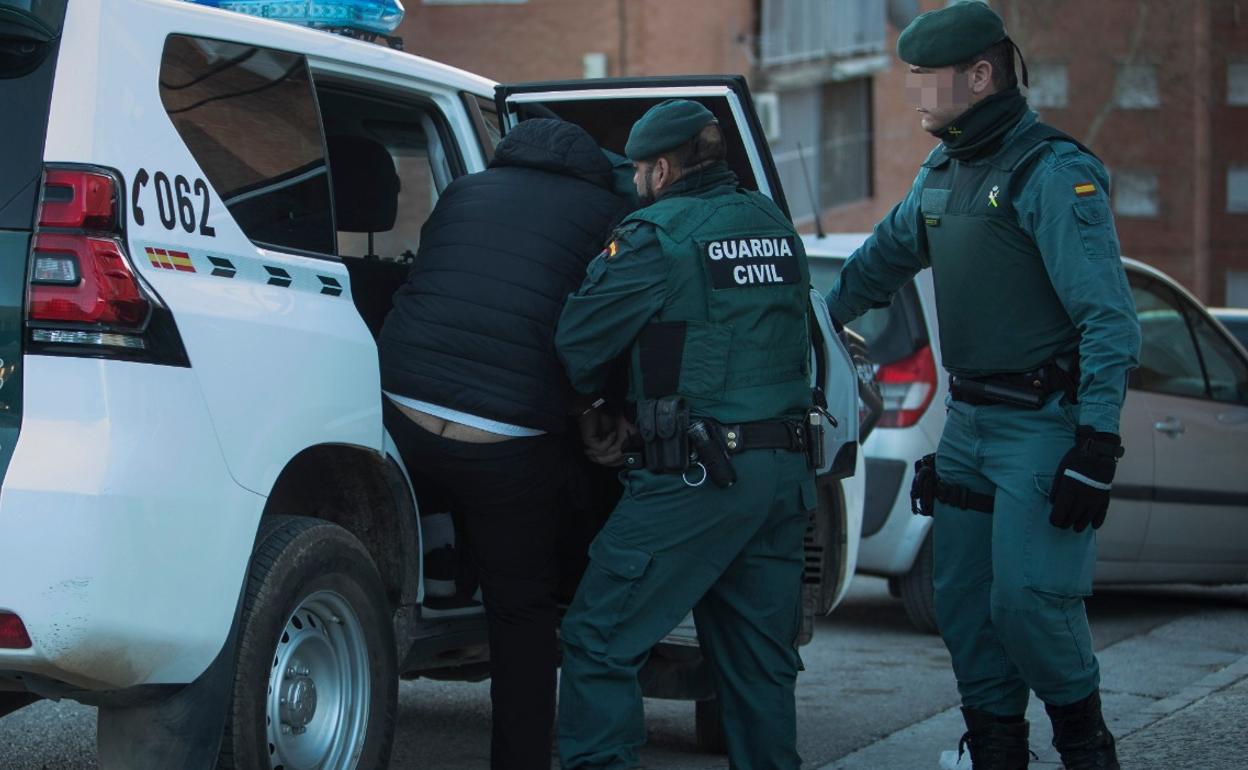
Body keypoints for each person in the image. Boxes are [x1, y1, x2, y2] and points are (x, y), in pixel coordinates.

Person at [825, 4, 1141, 769]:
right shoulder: (943, 172)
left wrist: (1096, 442)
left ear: (979, 75)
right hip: (968, 424)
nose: (914, 99)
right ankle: (997, 750)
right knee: (965, 605)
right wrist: (811, 325)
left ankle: (1085, 747)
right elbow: (875, 265)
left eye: (925, 80)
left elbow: (1110, 320)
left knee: (1029, 602)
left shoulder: (1052, 172)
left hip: (1042, 425)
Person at [554, 99, 818, 770]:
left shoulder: (655, 234)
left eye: (640, 170)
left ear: (663, 168)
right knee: (759, 667)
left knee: (598, 637)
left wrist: (593, 411)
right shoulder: (774, 225)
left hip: (699, 479)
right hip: (783, 475)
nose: (635, 181)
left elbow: (581, 341)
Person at [377, 117, 626, 770]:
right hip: (505, 439)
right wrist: (596, 411)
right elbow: (597, 330)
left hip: (399, 409)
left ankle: (452, 565)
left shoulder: (464, 190)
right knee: (522, 613)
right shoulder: (610, 213)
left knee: (462, 490)